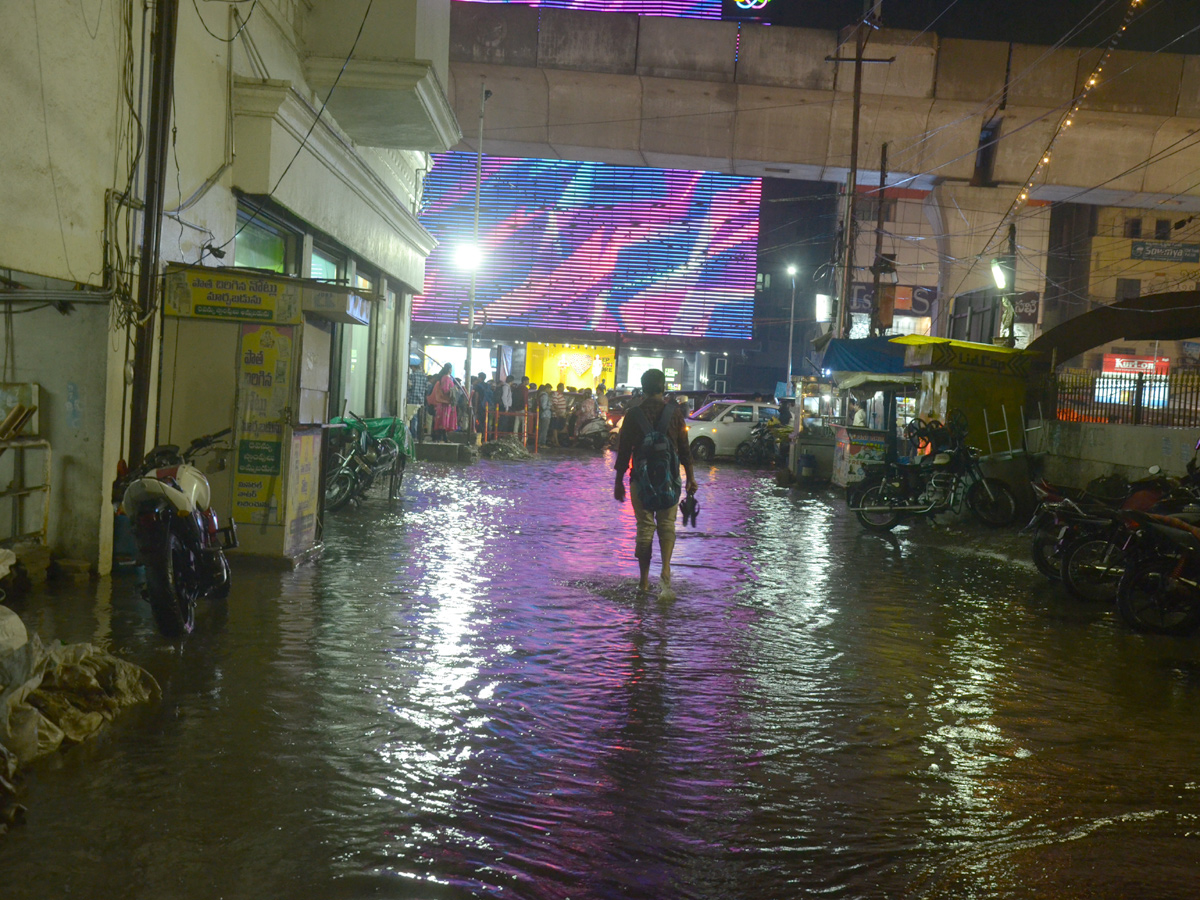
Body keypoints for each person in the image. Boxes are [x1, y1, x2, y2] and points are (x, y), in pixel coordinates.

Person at [614, 368, 697, 599]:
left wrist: (618, 482)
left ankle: (643, 581)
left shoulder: (633, 414)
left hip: (641, 481)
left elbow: (623, 452)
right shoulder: (675, 413)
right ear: (663, 388)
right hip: (670, 481)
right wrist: (690, 477)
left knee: (645, 527)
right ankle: (666, 572)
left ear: (643, 388)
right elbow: (684, 449)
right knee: (667, 525)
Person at [427, 364, 458, 441]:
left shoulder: (444, 378)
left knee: (442, 421)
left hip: (444, 403)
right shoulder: (446, 378)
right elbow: (445, 390)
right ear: (449, 369)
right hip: (445, 403)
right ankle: (442, 438)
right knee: (444, 422)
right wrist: (454, 389)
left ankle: (442, 438)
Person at [406, 362, 429, 442]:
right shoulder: (424, 376)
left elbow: (409, 387)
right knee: (420, 418)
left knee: (413, 418)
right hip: (421, 399)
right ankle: (420, 436)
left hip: (413, 399)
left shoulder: (412, 376)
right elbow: (426, 387)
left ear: (413, 367)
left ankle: (413, 436)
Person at [513, 376, 528, 441]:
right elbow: (525, 398)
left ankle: (514, 437)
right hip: (523, 408)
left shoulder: (517, 388)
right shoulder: (525, 388)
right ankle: (524, 438)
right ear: (524, 381)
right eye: (527, 381)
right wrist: (526, 406)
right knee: (524, 423)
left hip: (517, 407)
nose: (528, 382)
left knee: (516, 423)